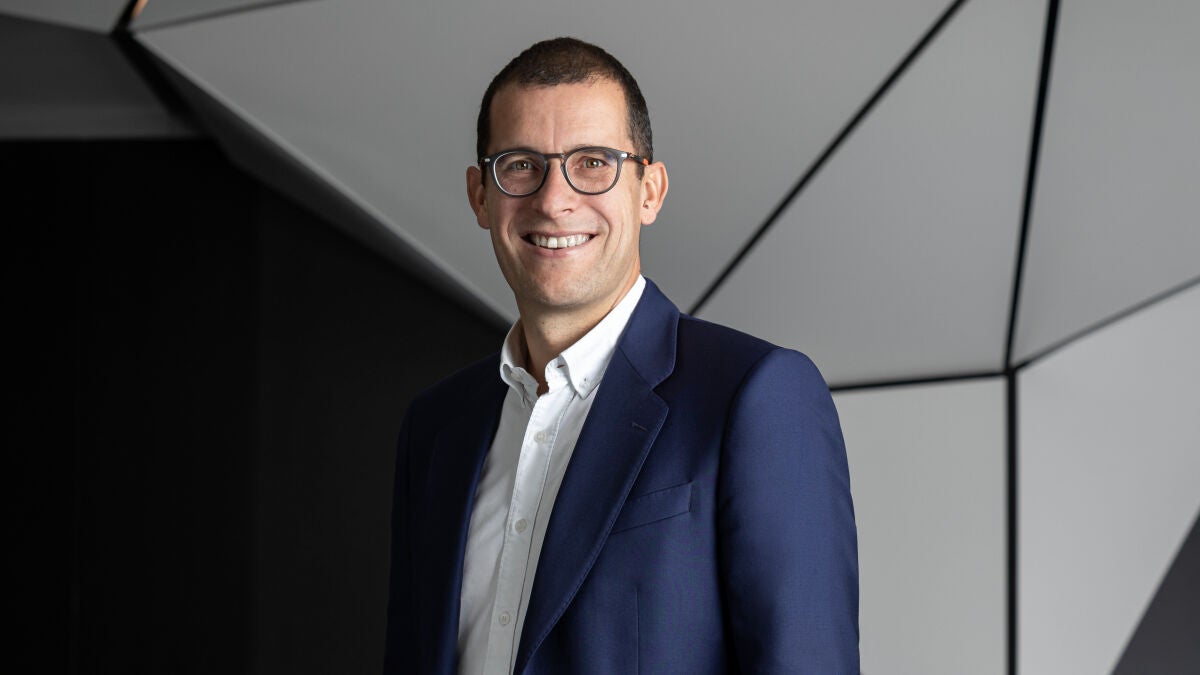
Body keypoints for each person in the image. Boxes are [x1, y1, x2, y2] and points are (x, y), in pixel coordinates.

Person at [384, 37, 858, 674]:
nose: (553, 200)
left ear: (649, 191)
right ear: (480, 196)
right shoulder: (437, 427)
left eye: (592, 163)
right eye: (521, 165)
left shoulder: (756, 396)